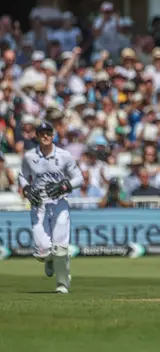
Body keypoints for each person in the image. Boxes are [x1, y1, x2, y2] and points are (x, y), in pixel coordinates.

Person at [18, 121, 83, 294]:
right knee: (43, 251)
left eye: (48, 133)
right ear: (37, 136)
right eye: (42, 133)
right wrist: (26, 189)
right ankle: (49, 259)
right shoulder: (29, 156)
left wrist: (64, 186)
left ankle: (62, 283)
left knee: (60, 249)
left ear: (53, 135)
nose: (45, 136)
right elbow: (22, 176)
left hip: (60, 203)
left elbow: (79, 178)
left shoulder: (64, 156)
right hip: (38, 204)